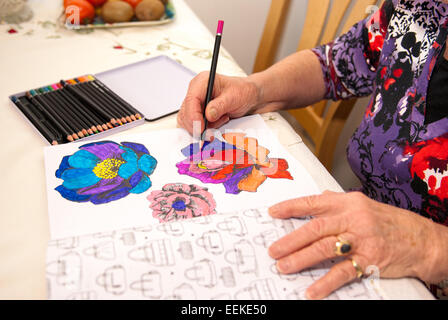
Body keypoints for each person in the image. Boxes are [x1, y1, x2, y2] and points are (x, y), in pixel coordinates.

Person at [177, 0, 448, 299]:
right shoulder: (421, 5)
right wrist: (255, 90)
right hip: (362, 231)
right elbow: (337, 63)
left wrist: (429, 245)